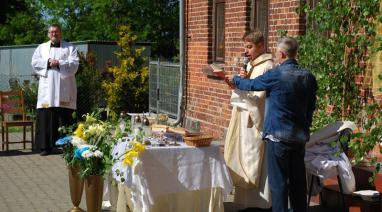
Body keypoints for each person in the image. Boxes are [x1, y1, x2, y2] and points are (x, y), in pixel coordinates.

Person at [226, 36, 317, 212]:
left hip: (278, 138)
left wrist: (236, 80)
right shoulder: (308, 76)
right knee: (298, 184)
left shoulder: (277, 74)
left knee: (279, 185)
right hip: (299, 138)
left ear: (282, 54)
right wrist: (305, 126)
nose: (275, 57)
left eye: (276, 54)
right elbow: (311, 107)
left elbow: (252, 85)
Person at [224, 30, 273, 211]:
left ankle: (258, 204)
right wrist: (239, 83)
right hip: (245, 116)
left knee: (254, 159)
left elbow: (259, 98)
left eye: (249, 47)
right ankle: (246, 203)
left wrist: (241, 87)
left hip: (254, 120)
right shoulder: (252, 64)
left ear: (261, 46)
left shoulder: (267, 66)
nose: (246, 51)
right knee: (242, 156)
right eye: (245, 46)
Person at [31, 24, 79, 156]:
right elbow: (34, 62)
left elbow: (75, 65)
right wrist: (47, 62)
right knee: (46, 117)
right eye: (51, 32)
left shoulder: (70, 48)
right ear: (48, 34)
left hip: (64, 89)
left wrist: (59, 63)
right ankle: (45, 147)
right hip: (47, 90)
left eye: (56, 32)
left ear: (60, 33)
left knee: (64, 118)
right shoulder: (41, 48)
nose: (54, 34)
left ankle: (66, 146)